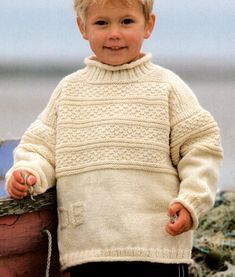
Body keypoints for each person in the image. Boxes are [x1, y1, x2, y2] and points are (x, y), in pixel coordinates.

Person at [6, 0, 223, 276]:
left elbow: (201, 145)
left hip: (157, 249)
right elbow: (40, 147)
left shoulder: (167, 87)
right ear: (82, 27)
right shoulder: (69, 91)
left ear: (149, 25)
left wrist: (192, 199)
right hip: (89, 250)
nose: (114, 34)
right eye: (101, 23)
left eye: (127, 21)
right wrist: (28, 173)